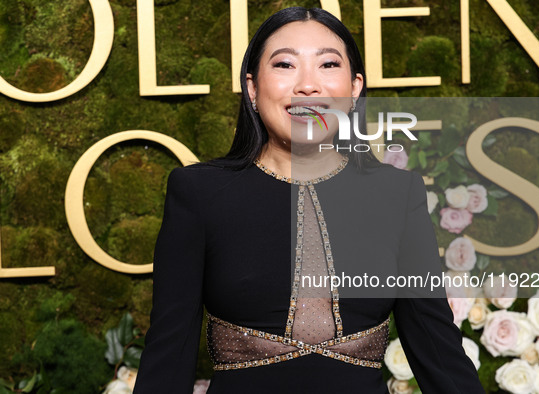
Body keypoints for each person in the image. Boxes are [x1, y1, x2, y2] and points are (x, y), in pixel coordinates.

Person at [133, 7, 485, 394]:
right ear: (252, 88)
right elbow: (170, 351)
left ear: (354, 89)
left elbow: (436, 345)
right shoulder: (198, 193)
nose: (308, 86)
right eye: (285, 65)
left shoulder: (396, 194)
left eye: (328, 65)